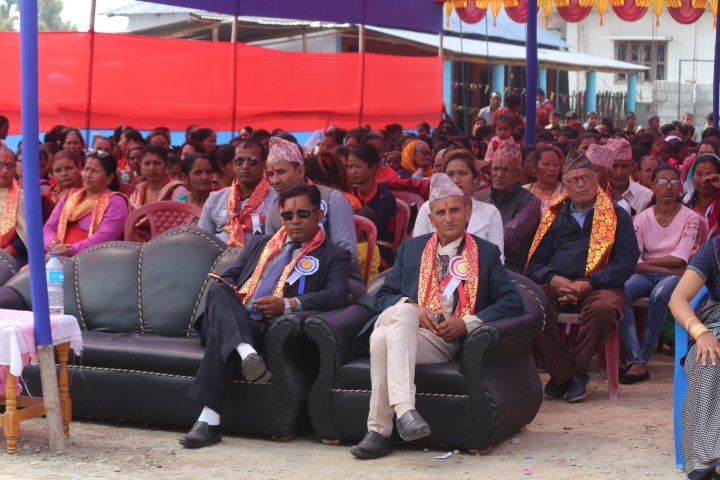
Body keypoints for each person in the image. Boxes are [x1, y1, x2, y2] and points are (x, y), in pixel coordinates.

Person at [350, 173, 522, 460]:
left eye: (455, 210)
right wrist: (412, 307)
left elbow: (512, 301)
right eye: (441, 213)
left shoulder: (486, 253)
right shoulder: (412, 248)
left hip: (442, 338)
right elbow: (382, 296)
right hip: (409, 326)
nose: (449, 218)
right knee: (403, 311)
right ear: (431, 218)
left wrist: (465, 323)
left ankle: (379, 432)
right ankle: (405, 410)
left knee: (381, 339)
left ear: (467, 213)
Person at [179, 184, 351, 449]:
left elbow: (337, 296)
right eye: (288, 215)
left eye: (303, 214)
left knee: (223, 338)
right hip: (232, 314)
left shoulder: (334, 255)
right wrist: (230, 286)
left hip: (264, 328)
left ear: (319, 214)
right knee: (219, 290)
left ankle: (208, 421)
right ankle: (247, 353)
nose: (295, 221)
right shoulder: (261, 243)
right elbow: (231, 276)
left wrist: (288, 304)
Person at [526, 151, 640, 402]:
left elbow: (626, 263)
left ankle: (567, 375)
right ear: (564, 184)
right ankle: (570, 376)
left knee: (605, 307)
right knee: (531, 303)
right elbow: (534, 263)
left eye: (585, 178)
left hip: (600, 287)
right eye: (573, 180)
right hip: (559, 285)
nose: (580, 184)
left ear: (597, 179)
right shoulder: (554, 216)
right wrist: (554, 279)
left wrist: (590, 284)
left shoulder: (616, 215)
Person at [619, 165, 705, 384]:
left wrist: (649, 264)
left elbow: (681, 258)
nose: (669, 187)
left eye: (675, 182)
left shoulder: (691, 218)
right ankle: (635, 358)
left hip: (675, 278)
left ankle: (641, 360)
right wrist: (668, 268)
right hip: (655, 274)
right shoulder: (641, 218)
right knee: (622, 291)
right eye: (663, 181)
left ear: (681, 187)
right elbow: (634, 262)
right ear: (653, 185)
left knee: (659, 294)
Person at [265, 137, 359, 277]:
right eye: (270, 174)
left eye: (281, 172)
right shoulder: (274, 208)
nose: (275, 181)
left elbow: (348, 254)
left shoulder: (331, 199)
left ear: (300, 171)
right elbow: (269, 254)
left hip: (335, 279)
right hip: (286, 280)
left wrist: (308, 275)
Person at [668, 235, 720, 480]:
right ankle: (707, 457)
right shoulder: (715, 249)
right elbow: (677, 299)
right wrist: (701, 333)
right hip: (716, 326)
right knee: (710, 359)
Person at [414, 149, 504, 258]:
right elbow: (417, 254)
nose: (456, 180)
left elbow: (498, 258)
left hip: (482, 269)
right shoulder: (427, 208)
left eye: (463, 173)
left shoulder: (491, 212)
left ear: (474, 178)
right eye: (450, 174)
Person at [43, 150, 129, 256]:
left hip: (91, 259)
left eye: (94, 171)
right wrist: (53, 245)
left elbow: (104, 238)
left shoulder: (116, 202)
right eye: (86, 169)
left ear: (109, 178)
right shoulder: (69, 196)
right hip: (56, 255)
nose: (88, 175)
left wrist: (69, 251)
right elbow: (49, 226)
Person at [198, 139, 277, 246]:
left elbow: (276, 242)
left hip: (258, 254)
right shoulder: (215, 199)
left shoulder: (277, 200)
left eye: (252, 161)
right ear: (233, 165)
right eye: (239, 161)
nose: (245, 166)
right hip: (217, 254)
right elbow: (201, 239)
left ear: (263, 165)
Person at [487, 140, 541, 272]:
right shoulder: (484, 196)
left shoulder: (531, 202)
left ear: (518, 175)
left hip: (510, 269)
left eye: (506, 170)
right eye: (496, 169)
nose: (499, 175)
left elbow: (507, 237)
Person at [347, 144, 397, 269]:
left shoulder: (386, 199)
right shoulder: (350, 196)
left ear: (372, 168)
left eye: (358, 167)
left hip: (378, 253)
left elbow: (375, 232)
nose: (353, 172)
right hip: (353, 250)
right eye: (350, 166)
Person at [129, 144, 189, 209]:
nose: (151, 168)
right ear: (141, 166)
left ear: (166, 165)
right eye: (147, 163)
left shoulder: (179, 191)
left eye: (157, 163)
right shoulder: (138, 191)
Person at [607, 138, 652, 216]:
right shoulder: (594, 194)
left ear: (632, 166)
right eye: (614, 166)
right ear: (605, 166)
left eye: (624, 166)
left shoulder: (646, 196)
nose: (619, 173)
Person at [0, 147, 27, 267]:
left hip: (11, 258)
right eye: (0, 165)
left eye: (10, 166)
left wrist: (6, 253)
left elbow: (28, 236)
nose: (4, 170)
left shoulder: (23, 198)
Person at [683, 153, 720, 237]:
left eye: (709, 174)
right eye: (699, 174)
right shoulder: (684, 203)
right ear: (692, 176)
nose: (704, 179)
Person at [524, 146, 565, 214]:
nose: (552, 169)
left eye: (556, 164)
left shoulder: (567, 192)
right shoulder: (524, 191)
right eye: (546, 164)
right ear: (534, 167)